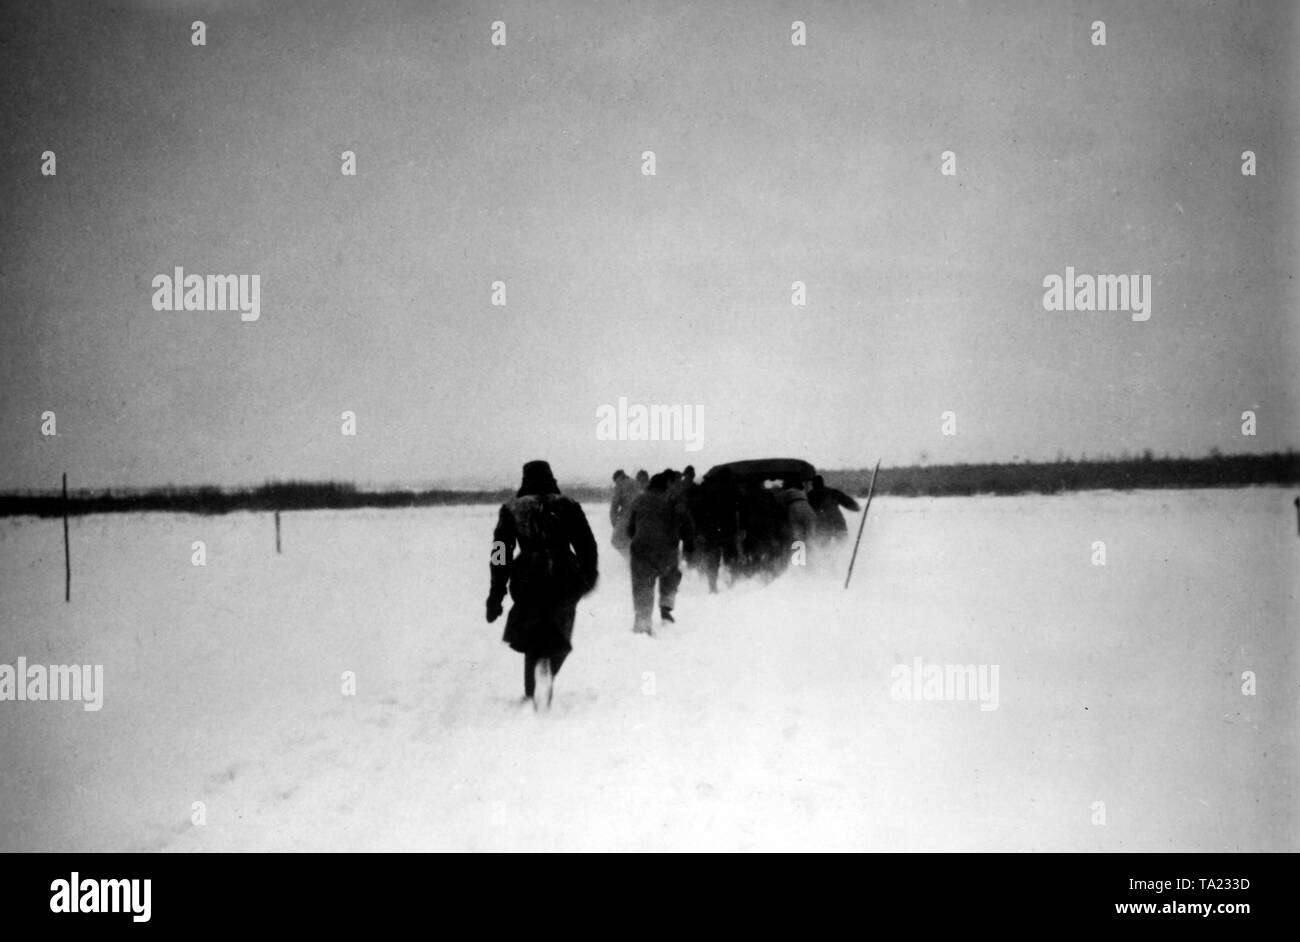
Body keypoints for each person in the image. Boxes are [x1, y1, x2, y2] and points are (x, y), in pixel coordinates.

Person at [486, 460, 598, 711]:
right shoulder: (568, 505)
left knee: (532, 632)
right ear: (551, 478)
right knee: (560, 629)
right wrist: (589, 575)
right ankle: (547, 669)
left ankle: (533, 685)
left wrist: (496, 593)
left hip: (528, 576)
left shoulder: (512, 508)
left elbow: (500, 553)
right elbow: (587, 544)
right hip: (564, 574)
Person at [625, 472, 693, 634]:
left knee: (642, 585)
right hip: (667, 549)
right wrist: (688, 544)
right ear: (666, 485)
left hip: (641, 549)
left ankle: (642, 622)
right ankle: (666, 608)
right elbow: (685, 523)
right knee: (671, 576)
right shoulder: (672, 500)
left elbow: (629, 530)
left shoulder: (639, 499)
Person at [807, 475, 861, 542]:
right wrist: (857, 507)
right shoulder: (832, 492)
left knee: (823, 547)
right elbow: (849, 503)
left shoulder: (809, 496)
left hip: (823, 525)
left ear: (813, 485)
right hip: (838, 523)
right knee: (842, 545)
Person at [609, 469, 638, 557]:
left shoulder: (620, 485)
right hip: (642, 517)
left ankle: (629, 561)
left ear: (617, 479)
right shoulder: (636, 483)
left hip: (627, 518)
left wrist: (615, 523)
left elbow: (614, 507)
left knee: (616, 540)